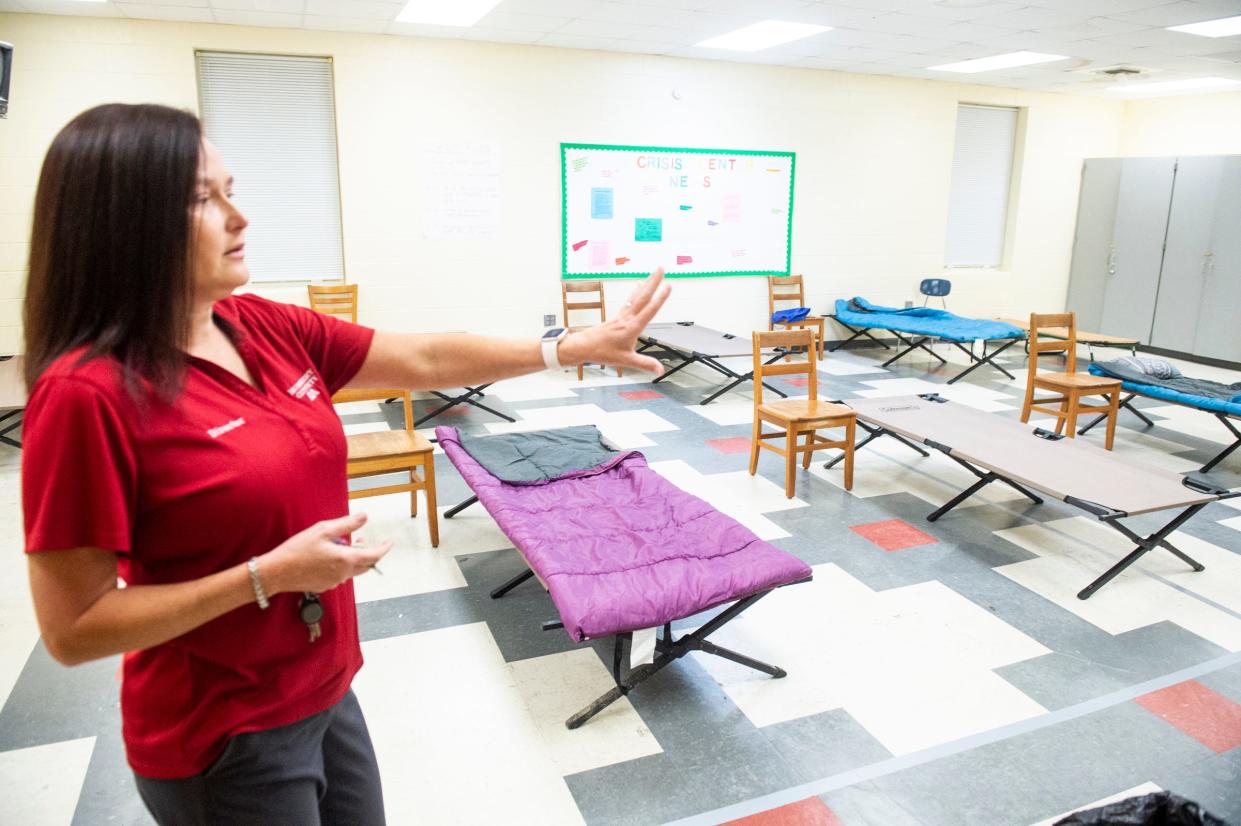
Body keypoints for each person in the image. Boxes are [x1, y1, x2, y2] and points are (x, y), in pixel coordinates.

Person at [21, 103, 671, 825]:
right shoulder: (88, 395)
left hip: (324, 686)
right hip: (222, 731)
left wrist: (564, 349)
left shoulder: (260, 324)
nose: (239, 218)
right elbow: (74, 629)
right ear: (124, 224)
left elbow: (423, 357)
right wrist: (263, 578)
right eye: (204, 199)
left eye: (231, 189)